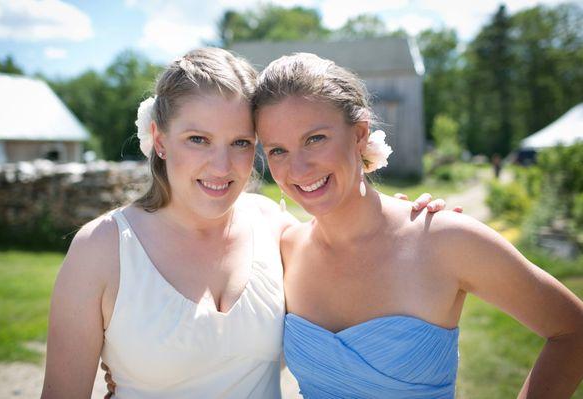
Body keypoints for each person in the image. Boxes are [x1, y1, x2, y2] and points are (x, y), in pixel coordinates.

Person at [41, 47, 448, 399]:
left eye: (240, 143)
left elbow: (352, 244)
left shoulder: (271, 225)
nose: (221, 167)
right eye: (198, 139)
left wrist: (404, 222)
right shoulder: (102, 249)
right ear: (160, 139)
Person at [252, 53, 583, 398]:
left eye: (315, 138)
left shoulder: (445, 239)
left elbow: (572, 331)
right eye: (278, 151)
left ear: (359, 135)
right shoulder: (286, 249)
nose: (300, 169)